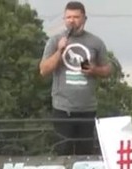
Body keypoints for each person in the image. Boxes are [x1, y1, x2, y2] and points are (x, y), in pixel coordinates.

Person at [39, 1, 112, 156]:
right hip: (63, 108)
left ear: (84, 19)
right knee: (63, 152)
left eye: (76, 17)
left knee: (85, 154)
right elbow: (44, 70)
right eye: (68, 17)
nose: (72, 21)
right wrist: (60, 51)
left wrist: (94, 70)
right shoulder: (55, 41)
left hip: (87, 108)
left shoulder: (96, 42)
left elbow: (107, 70)